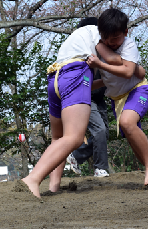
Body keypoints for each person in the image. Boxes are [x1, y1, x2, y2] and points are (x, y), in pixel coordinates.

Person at [21, 19, 123, 198]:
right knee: (74, 138)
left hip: (55, 78)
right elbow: (114, 59)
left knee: (58, 138)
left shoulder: (74, 41)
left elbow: (84, 85)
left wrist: (108, 81)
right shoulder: (95, 33)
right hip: (76, 74)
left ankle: (54, 186)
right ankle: (32, 179)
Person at [86, 8, 148, 187]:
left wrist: (101, 63)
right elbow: (108, 79)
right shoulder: (99, 44)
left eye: (115, 38)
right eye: (106, 38)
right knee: (136, 142)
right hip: (117, 100)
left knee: (127, 123)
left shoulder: (128, 45)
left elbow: (127, 72)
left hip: (137, 90)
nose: (111, 42)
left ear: (126, 32)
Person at [66, 17, 110, 178]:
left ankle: (77, 156)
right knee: (99, 130)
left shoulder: (104, 51)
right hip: (85, 96)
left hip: (99, 97)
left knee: (104, 134)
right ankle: (100, 168)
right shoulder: (80, 54)